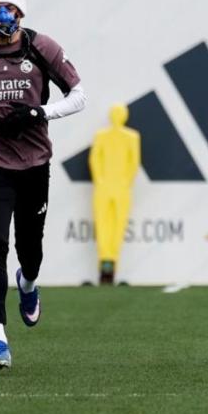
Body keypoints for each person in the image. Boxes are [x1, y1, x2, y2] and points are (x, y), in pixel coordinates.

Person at [0, 0, 86, 371]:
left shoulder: (41, 48)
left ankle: (27, 283)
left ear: (22, 10)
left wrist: (38, 112)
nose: (3, 15)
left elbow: (80, 95)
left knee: (30, 247)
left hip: (33, 160)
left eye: (9, 7)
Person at [89, 103, 141, 285]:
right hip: (111, 187)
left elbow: (133, 162)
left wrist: (123, 182)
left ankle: (109, 264)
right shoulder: (104, 136)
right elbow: (95, 159)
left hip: (115, 188)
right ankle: (106, 263)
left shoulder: (131, 137)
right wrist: (102, 180)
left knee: (114, 227)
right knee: (106, 226)